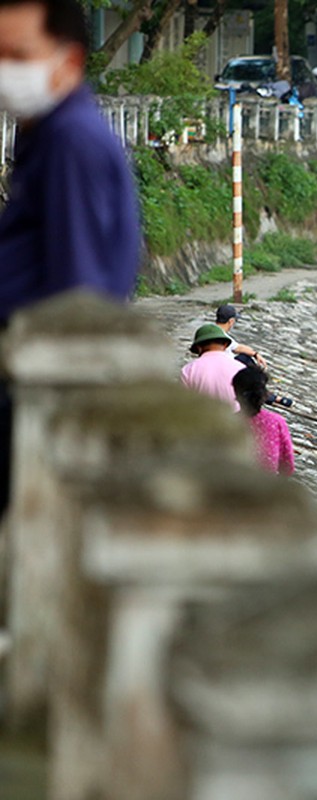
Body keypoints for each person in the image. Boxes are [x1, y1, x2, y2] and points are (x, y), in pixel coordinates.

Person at [0, 0, 142, 520]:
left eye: (19, 54)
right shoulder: (43, 132)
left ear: (70, 59)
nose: (7, 69)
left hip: (33, 384)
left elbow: (78, 290)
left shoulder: (70, 142)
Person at [232, 366, 295, 476]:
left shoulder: (227, 422)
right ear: (264, 394)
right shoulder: (276, 422)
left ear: (236, 394)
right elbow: (287, 466)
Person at [181, 324, 244, 411]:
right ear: (225, 345)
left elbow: (184, 403)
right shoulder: (241, 368)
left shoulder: (188, 370)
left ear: (199, 348)